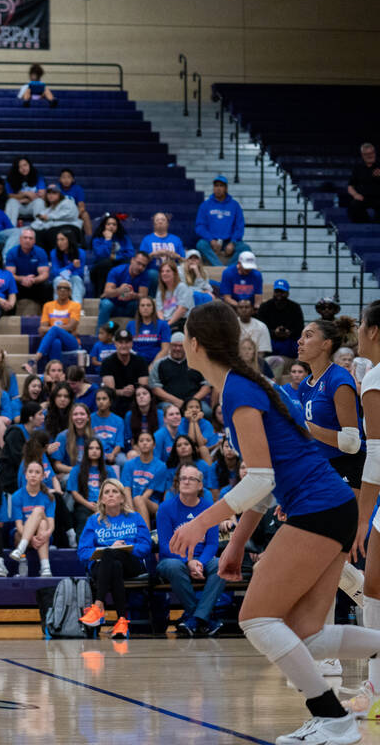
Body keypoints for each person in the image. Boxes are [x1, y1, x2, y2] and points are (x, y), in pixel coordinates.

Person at [169, 301, 373, 745]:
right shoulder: (253, 384)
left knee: (258, 619)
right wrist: (237, 542)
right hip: (329, 506)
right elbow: (265, 482)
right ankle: (332, 718)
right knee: (307, 637)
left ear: (196, 344)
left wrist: (201, 523)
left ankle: (334, 720)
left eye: (183, 335)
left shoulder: (239, 389)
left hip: (319, 508)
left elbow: (259, 478)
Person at [345, 301, 380, 716]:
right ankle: (374, 687)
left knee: (373, 587)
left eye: (360, 326)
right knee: (372, 586)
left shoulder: (373, 378)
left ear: (373, 331)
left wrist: (361, 518)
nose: (356, 333)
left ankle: (374, 690)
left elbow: (377, 456)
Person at [297, 317, 367, 494]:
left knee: (345, 522)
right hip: (320, 467)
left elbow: (352, 443)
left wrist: (306, 426)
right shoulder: (305, 385)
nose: (300, 341)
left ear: (325, 344)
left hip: (348, 465)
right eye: (301, 336)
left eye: (308, 336)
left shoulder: (339, 379)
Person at [78, 479, 151, 640]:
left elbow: (146, 546)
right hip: (102, 566)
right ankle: (121, 621)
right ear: (102, 499)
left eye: (115, 491)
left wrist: (125, 547)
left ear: (122, 498)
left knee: (113, 555)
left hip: (132, 564)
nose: (111, 495)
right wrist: (109, 549)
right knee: (113, 563)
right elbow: (83, 552)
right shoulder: (93, 521)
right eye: (107, 492)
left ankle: (98, 607)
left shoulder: (135, 518)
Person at [6, 462, 55, 577]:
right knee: (40, 517)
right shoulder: (16, 496)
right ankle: (45, 567)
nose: (33, 475)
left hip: (42, 536)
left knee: (41, 519)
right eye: (30, 472)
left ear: (43, 477)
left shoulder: (48, 497)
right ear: (25, 475)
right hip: (21, 535)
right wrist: (29, 538)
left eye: (37, 472)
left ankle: (21, 549)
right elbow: (18, 525)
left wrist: (47, 534)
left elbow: (51, 524)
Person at [25, 277, 82, 375]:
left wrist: (54, 330)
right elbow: (42, 329)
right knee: (56, 342)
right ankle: (55, 374)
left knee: (55, 330)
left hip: (71, 341)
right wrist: (57, 330)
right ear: (56, 290)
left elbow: (71, 327)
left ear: (70, 292)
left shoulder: (75, 305)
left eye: (65, 288)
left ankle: (35, 359)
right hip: (54, 340)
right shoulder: (48, 305)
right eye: (60, 288)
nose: (62, 290)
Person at [195, 175, 251, 266]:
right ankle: (220, 268)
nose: (218, 188)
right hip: (211, 241)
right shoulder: (205, 205)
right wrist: (211, 240)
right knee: (201, 244)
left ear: (226, 188)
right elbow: (199, 226)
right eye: (216, 186)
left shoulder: (234, 205)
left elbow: (239, 227)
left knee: (245, 248)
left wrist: (233, 242)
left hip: (229, 241)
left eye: (221, 186)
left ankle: (229, 268)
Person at [67, 437, 115, 541]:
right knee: (84, 522)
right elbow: (74, 493)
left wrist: (102, 505)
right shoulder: (76, 470)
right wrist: (88, 504)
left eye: (97, 448)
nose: (94, 451)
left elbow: (115, 491)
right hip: (84, 505)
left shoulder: (109, 470)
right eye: (91, 448)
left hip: (106, 505)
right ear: (86, 451)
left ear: (101, 451)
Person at [150, 333, 209, 409]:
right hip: (168, 402)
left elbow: (207, 386)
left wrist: (191, 402)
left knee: (207, 411)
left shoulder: (197, 363)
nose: (177, 349)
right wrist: (175, 401)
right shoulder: (159, 364)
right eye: (174, 345)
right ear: (170, 346)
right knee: (165, 411)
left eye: (181, 346)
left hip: (194, 401)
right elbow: (155, 388)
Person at [97, 251, 152, 330]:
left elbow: (143, 296)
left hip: (129, 306)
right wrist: (119, 290)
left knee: (142, 305)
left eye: (143, 266)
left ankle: (141, 333)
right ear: (132, 260)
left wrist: (133, 295)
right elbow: (107, 292)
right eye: (138, 263)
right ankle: (101, 334)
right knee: (106, 304)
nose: (140, 267)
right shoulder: (117, 271)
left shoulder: (145, 275)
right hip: (114, 305)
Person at [101, 329, 150, 416]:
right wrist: (122, 392)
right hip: (116, 402)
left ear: (131, 344)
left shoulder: (140, 361)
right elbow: (109, 391)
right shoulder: (107, 363)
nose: (124, 345)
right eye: (120, 342)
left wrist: (133, 390)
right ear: (115, 344)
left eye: (127, 342)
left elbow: (144, 386)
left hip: (135, 399)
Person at [5, 228, 52, 307]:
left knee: (47, 287)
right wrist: (22, 279)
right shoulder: (12, 252)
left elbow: (45, 274)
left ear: (34, 241)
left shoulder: (40, 252)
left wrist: (33, 280)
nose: (27, 240)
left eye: (30, 238)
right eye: (25, 237)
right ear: (20, 239)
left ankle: (47, 314)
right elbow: (10, 274)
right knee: (7, 285)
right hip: (18, 284)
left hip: (35, 283)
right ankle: (8, 316)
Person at [258, 279, 304, 361]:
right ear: (273, 292)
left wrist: (289, 332)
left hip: (289, 340)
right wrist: (274, 332)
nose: (279, 295)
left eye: (282, 292)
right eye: (277, 291)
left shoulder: (295, 307)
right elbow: (261, 327)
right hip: (270, 339)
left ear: (287, 293)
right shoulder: (265, 306)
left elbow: (300, 327)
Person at [90, 213, 135, 292]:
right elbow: (100, 255)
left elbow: (131, 254)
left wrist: (115, 257)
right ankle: (101, 295)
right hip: (100, 268)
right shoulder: (98, 239)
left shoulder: (124, 238)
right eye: (108, 224)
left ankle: (124, 294)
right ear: (104, 226)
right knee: (106, 263)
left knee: (127, 264)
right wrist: (107, 240)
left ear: (117, 227)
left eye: (114, 224)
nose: (111, 226)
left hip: (118, 264)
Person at [30, 184, 82, 251]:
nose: (51, 195)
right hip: (54, 228)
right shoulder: (48, 209)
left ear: (59, 194)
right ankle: (45, 257)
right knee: (37, 234)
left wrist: (49, 217)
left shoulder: (67, 202)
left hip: (70, 227)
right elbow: (37, 223)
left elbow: (71, 214)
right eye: (49, 193)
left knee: (52, 233)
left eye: (54, 193)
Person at [139, 212, 186, 279]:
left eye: (163, 220)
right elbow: (141, 262)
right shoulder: (147, 239)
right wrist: (153, 254)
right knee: (151, 274)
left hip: (173, 272)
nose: (160, 222)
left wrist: (176, 256)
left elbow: (184, 261)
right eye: (157, 220)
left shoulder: (176, 239)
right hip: (155, 272)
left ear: (167, 224)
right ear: (154, 224)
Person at [126, 296, 170, 365]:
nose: (145, 308)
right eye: (142, 305)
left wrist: (153, 365)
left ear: (153, 308)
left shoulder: (163, 325)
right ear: (139, 308)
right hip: (135, 363)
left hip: (156, 362)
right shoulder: (131, 325)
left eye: (148, 305)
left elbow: (165, 349)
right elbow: (127, 347)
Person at [3, 157, 46, 227]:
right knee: (11, 201)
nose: (23, 168)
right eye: (20, 167)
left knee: (39, 202)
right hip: (18, 207)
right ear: (16, 169)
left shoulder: (37, 177)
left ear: (29, 165)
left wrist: (24, 199)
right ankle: (10, 229)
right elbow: (9, 196)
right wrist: (26, 194)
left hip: (32, 206)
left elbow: (42, 195)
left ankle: (39, 228)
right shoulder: (11, 178)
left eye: (25, 165)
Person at [91, 387, 127, 468]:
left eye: (104, 399)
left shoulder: (119, 420)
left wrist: (113, 454)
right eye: (98, 399)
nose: (101, 402)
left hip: (114, 453)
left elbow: (119, 443)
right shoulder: (90, 419)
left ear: (110, 401)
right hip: (95, 452)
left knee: (123, 460)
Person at [124, 386, 164, 457]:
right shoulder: (129, 415)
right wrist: (137, 448)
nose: (141, 396)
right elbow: (128, 438)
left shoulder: (160, 414)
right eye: (138, 395)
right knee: (132, 455)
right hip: (137, 448)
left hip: (155, 448)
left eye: (144, 394)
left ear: (151, 397)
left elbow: (161, 436)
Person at [156, 261, 195, 333]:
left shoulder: (182, 287)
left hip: (180, 321)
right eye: (162, 271)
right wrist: (163, 324)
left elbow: (182, 310)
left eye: (168, 271)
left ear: (174, 273)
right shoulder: (160, 290)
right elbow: (159, 310)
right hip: (166, 322)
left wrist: (168, 324)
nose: (164, 273)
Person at [48, 229, 86, 301]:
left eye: (62, 239)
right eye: (58, 240)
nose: (59, 242)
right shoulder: (54, 252)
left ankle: (76, 309)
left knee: (76, 279)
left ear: (70, 240)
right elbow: (56, 273)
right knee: (58, 280)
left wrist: (64, 273)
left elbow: (80, 274)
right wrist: (72, 266)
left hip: (76, 284)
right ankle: (58, 309)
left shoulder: (80, 253)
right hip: (61, 280)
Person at [347, 142, 380, 223]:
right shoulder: (357, 168)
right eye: (366, 154)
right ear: (362, 155)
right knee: (354, 205)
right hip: (363, 197)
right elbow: (350, 187)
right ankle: (364, 226)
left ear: (375, 153)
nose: (369, 156)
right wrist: (355, 195)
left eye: (371, 153)